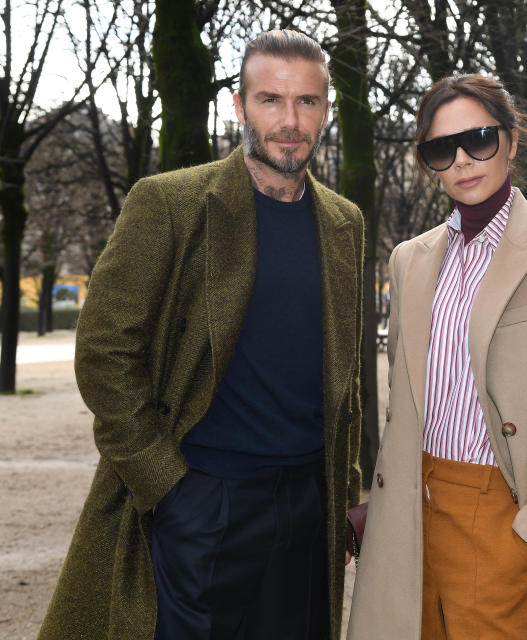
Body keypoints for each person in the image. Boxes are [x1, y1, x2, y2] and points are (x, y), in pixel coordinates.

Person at [38, 29, 363, 640]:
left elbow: (346, 378)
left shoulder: (345, 223)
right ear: (239, 107)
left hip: (307, 506)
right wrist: (168, 489)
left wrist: (345, 491)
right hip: (203, 498)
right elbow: (105, 353)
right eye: (270, 100)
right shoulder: (169, 203)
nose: (289, 121)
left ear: (325, 109)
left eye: (306, 102)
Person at [347, 74, 527, 640]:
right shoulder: (409, 260)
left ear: (511, 140)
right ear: (430, 162)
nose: (464, 160)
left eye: (480, 139)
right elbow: (410, 402)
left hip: (499, 510)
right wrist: (383, 501)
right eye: (443, 148)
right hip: (411, 514)